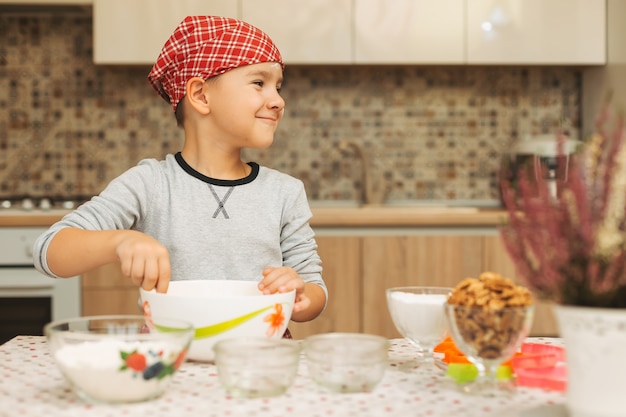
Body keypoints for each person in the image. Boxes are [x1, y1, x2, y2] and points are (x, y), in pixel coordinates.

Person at [33, 15, 327, 323]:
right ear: (201, 95)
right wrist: (120, 242)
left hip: (257, 361)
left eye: (278, 87)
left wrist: (300, 294)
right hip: (170, 359)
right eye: (259, 83)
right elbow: (48, 251)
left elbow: (314, 288)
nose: (278, 100)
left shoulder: (284, 192)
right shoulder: (150, 184)